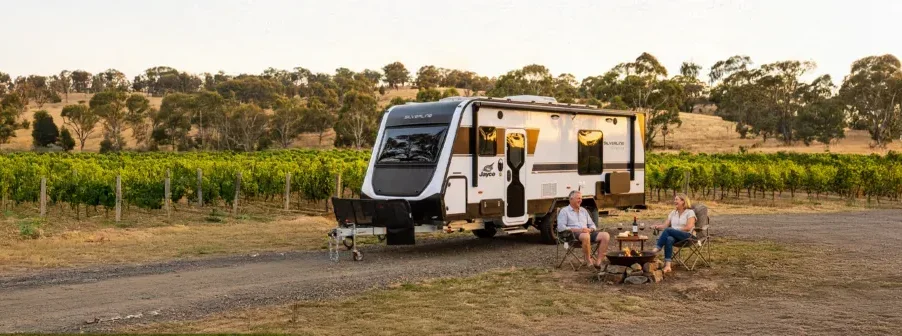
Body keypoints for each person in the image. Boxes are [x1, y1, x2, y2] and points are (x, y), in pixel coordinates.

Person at [557, 190, 610, 268]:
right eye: (578, 198)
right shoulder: (564, 211)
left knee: (605, 235)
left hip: (586, 232)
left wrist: (590, 229)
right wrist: (580, 230)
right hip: (571, 235)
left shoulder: (584, 211)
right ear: (571, 199)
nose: (580, 200)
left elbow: (592, 224)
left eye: (581, 198)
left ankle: (598, 263)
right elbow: (561, 227)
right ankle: (588, 260)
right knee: (585, 236)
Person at [652, 193, 697, 273]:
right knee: (669, 239)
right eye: (674, 199)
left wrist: (674, 230)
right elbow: (665, 226)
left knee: (669, 230)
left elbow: (689, 227)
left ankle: (657, 248)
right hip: (677, 237)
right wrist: (657, 226)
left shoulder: (690, 212)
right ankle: (668, 266)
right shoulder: (673, 213)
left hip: (688, 236)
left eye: (677, 200)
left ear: (683, 201)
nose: (674, 201)